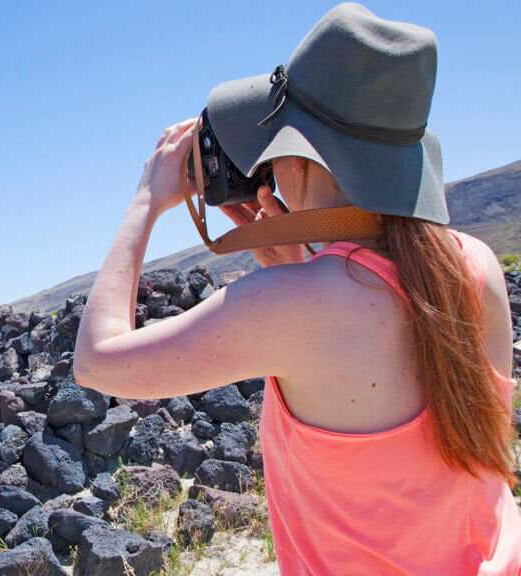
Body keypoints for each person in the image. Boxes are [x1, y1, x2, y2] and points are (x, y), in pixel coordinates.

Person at [72, 3, 521, 574]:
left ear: (302, 161)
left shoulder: (296, 304)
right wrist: (302, 262)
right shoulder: (475, 264)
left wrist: (147, 200)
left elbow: (96, 361)